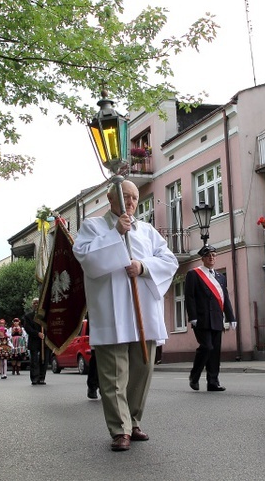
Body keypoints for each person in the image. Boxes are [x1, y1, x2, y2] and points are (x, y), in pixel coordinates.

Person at [73, 180, 178, 452]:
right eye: (125, 196)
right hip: (113, 313)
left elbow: (169, 261)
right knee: (114, 376)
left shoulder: (148, 231)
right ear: (111, 198)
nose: (131, 202)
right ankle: (120, 429)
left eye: (134, 197)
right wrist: (115, 234)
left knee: (141, 372)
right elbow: (85, 257)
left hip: (144, 313)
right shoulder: (94, 227)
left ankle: (133, 420)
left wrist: (143, 266)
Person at [185, 244, 237, 392]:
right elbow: (189, 297)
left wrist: (231, 317)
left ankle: (213, 382)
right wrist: (192, 316)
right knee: (206, 347)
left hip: (216, 318)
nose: (211, 258)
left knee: (215, 351)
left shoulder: (220, 277)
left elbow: (225, 298)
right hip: (201, 319)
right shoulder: (194, 274)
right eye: (208, 256)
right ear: (203, 258)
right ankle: (194, 377)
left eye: (214, 255)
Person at [23, 298, 49, 386]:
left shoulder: (45, 316)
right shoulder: (28, 316)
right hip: (34, 341)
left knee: (44, 360)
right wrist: (37, 333)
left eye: (38, 303)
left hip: (45, 341)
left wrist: (44, 334)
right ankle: (34, 378)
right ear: (32, 305)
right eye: (34, 303)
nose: (36, 305)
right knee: (34, 361)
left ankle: (42, 378)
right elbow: (28, 328)